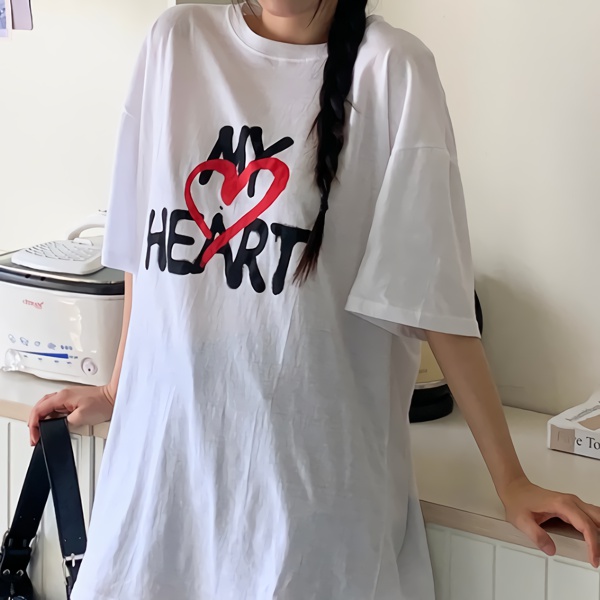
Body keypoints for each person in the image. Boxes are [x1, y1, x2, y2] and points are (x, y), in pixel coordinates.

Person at [28, 1, 600, 599]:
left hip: (308, 518)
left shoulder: (392, 69)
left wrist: (511, 481)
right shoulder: (175, 43)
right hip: (158, 500)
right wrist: (117, 390)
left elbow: (436, 298)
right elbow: (144, 252)